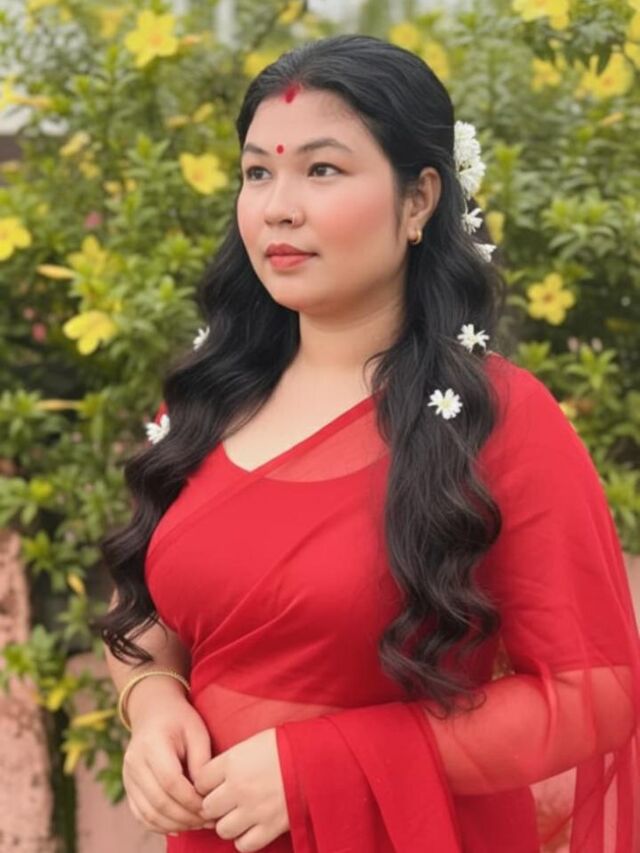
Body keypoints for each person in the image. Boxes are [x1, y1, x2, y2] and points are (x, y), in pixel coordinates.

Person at [94, 33, 640, 853]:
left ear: (419, 200)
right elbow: (147, 608)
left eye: (322, 169)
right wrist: (153, 703)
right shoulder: (211, 398)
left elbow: (591, 693)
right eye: (257, 172)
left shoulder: (495, 419)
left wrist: (326, 763)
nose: (278, 206)